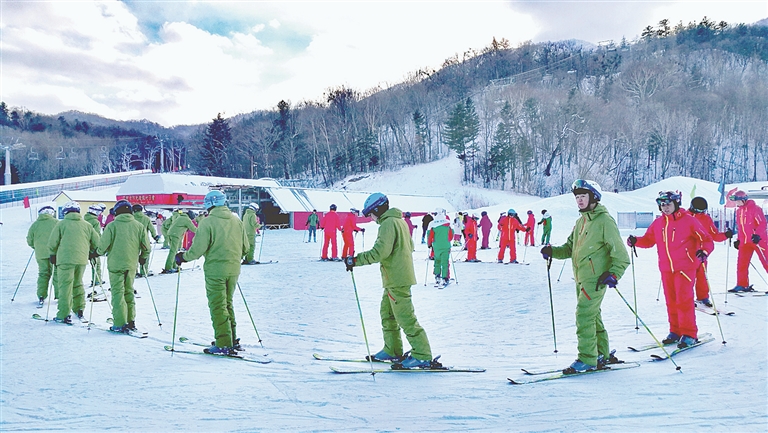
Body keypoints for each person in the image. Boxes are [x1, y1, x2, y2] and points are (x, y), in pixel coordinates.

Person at [540, 180, 630, 373]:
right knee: (593, 317)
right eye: (577, 197)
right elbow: (569, 249)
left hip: (596, 279)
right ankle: (601, 353)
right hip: (581, 278)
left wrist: (614, 274)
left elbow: (621, 255)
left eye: (583, 196)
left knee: (583, 315)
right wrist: (551, 251)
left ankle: (587, 359)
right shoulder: (581, 222)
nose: (579, 200)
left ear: (594, 198)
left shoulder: (604, 221)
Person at [344, 192, 433, 369]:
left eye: (370, 213)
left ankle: (422, 354)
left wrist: (355, 260)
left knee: (405, 317)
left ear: (378, 209)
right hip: (395, 278)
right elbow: (410, 246)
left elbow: (380, 252)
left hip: (397, 278)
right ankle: (392, 349)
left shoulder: (387, 224)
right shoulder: (399, 221)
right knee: (388, 315)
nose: (370, 217)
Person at [628, 191, 714, 349]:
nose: (665, 208)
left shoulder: (689, 221)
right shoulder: (659, 222)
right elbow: (648, 240)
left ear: (676, 204)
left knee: (684, 301)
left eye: (668, 204)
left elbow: (707, 239)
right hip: (667, 269)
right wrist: (636, 241)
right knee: (671, 302)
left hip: (685, 268)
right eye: (662, 205)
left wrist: (704, 251)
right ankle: (675, 331)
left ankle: (689, 334)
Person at [175, 190, 249, 355]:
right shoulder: (236, 221)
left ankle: (223, 342)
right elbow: (246, 247)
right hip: (234, 268)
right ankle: (232, 338)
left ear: (209, 205)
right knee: (228, 303)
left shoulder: (207, 223)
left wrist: (183, 257)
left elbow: (197, 250)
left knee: (218, 305)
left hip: (216, 270)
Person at [96, 200, 150, 334]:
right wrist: (143, 257)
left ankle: (120, 323)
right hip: (131, 264)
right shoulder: (138, 226)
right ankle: (131, 321)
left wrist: (96, 253)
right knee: (129, 292)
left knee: (118, 293)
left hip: (115, 264)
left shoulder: (112, 226)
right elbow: (146, 246)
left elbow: (103, 246)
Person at [48, 201, 100, 324]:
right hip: (81, 259)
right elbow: (97, 242)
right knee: (78, 283)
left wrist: (52, 255)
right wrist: (92, 252)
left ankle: (63, 314)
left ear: (65, 212)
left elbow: (52, 243)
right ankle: (79, 308)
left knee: (65, 286)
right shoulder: (87, 225)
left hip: (65, 260)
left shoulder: (61, 224)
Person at [688, 197, 732, 308]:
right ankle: (687, 298)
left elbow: (714, 235)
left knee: (702, 276)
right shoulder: (685, 217)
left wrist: (725, 235)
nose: (701, 213)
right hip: (686, 253)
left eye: (703, 211)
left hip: (701, 253)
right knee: (688, 277)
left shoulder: (706, 219)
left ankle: (703, 297)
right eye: (699, 211)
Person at [728, 190, 768, 293]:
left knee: (766, 262)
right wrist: (738, 240)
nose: (736, 203)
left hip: (758, 240)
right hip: (745, 242)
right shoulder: (739, 211)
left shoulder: (755, 209)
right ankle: (742, 284)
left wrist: (757, 235)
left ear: (743, 199)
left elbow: (762, 223)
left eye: (738, 201)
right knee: (741, 263)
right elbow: (740, 227)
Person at [26, 206, 59, 306]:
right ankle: (60, 295)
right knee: (57, 274)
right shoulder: (57, 222)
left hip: (40, 254)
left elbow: (29, 240)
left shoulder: (35, 224)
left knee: (43, 274)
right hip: (55, 253)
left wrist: (36, 247)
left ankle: (41, 295)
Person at [162, 209, 197, 274]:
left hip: (171, 233)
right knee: (173, 251)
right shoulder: (187, 220)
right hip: (175, 235)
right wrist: (201, 231)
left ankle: (174, 266)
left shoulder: (180, 217)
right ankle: (168, 267)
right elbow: (193, 229)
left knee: (174, 250)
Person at [132, 204, 160, 277]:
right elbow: (151, 229)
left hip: (133, 239)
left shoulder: (132, 218)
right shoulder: (146, 218)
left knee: (134, 255)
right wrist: (155, 237)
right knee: (145, 255)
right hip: (144, 239)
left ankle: (134, 272)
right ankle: (144, 271)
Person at [428, 209, 453, 287]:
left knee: (437, 261)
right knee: (445, 262)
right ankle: (445, 278)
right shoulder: (447, 223)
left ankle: (437, 276)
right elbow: (451, 236)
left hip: (436, 247)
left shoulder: (432, 224)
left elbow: (429, 235)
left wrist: (429, 244)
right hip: (445, 246)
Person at [84, 204, 105, 288]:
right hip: (92, 247)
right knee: (96, 264)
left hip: (83, 245)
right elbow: (96, 235)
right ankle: (97, 280)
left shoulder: (84, 219)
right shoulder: (95, 222)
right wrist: (97, 248)